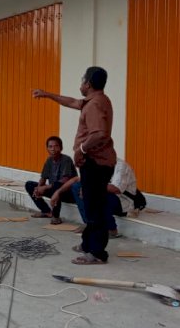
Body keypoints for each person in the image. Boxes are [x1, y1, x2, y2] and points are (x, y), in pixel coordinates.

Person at [32, 66, 116, 265]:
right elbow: (71, 101)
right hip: (94, 164)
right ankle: (89, 244)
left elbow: (99, 133)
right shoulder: (95, 101)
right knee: (90, 204)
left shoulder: (95, 104)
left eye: (82, 80)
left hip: (96, 164)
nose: (80, 84)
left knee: (94, 207)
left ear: (88, 83)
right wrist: (47, 95)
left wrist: (81, 150)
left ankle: (96, 252)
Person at [73, 158, 138, 237]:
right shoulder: (97, 164)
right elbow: (82, 180)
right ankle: (89, 223)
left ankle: (111, 230)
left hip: (123, 200)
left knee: (97, 194)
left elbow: (116, 189)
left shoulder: (120, 166)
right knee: (77, 187)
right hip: (108, 195)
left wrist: (90, 188)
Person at [25, 136, 78, 225]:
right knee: (29, 185)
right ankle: (46, 211)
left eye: (56, 146)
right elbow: (43, 178)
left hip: (68, 193)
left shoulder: (66, 160)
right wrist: (38, 188)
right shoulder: (49, 160)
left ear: (61, 148)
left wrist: (45, 187)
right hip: (54, 190)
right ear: (47, 148)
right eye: (50, 146)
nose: (53, 149)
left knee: (57, 185)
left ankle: (56, 217)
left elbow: (65, 180)